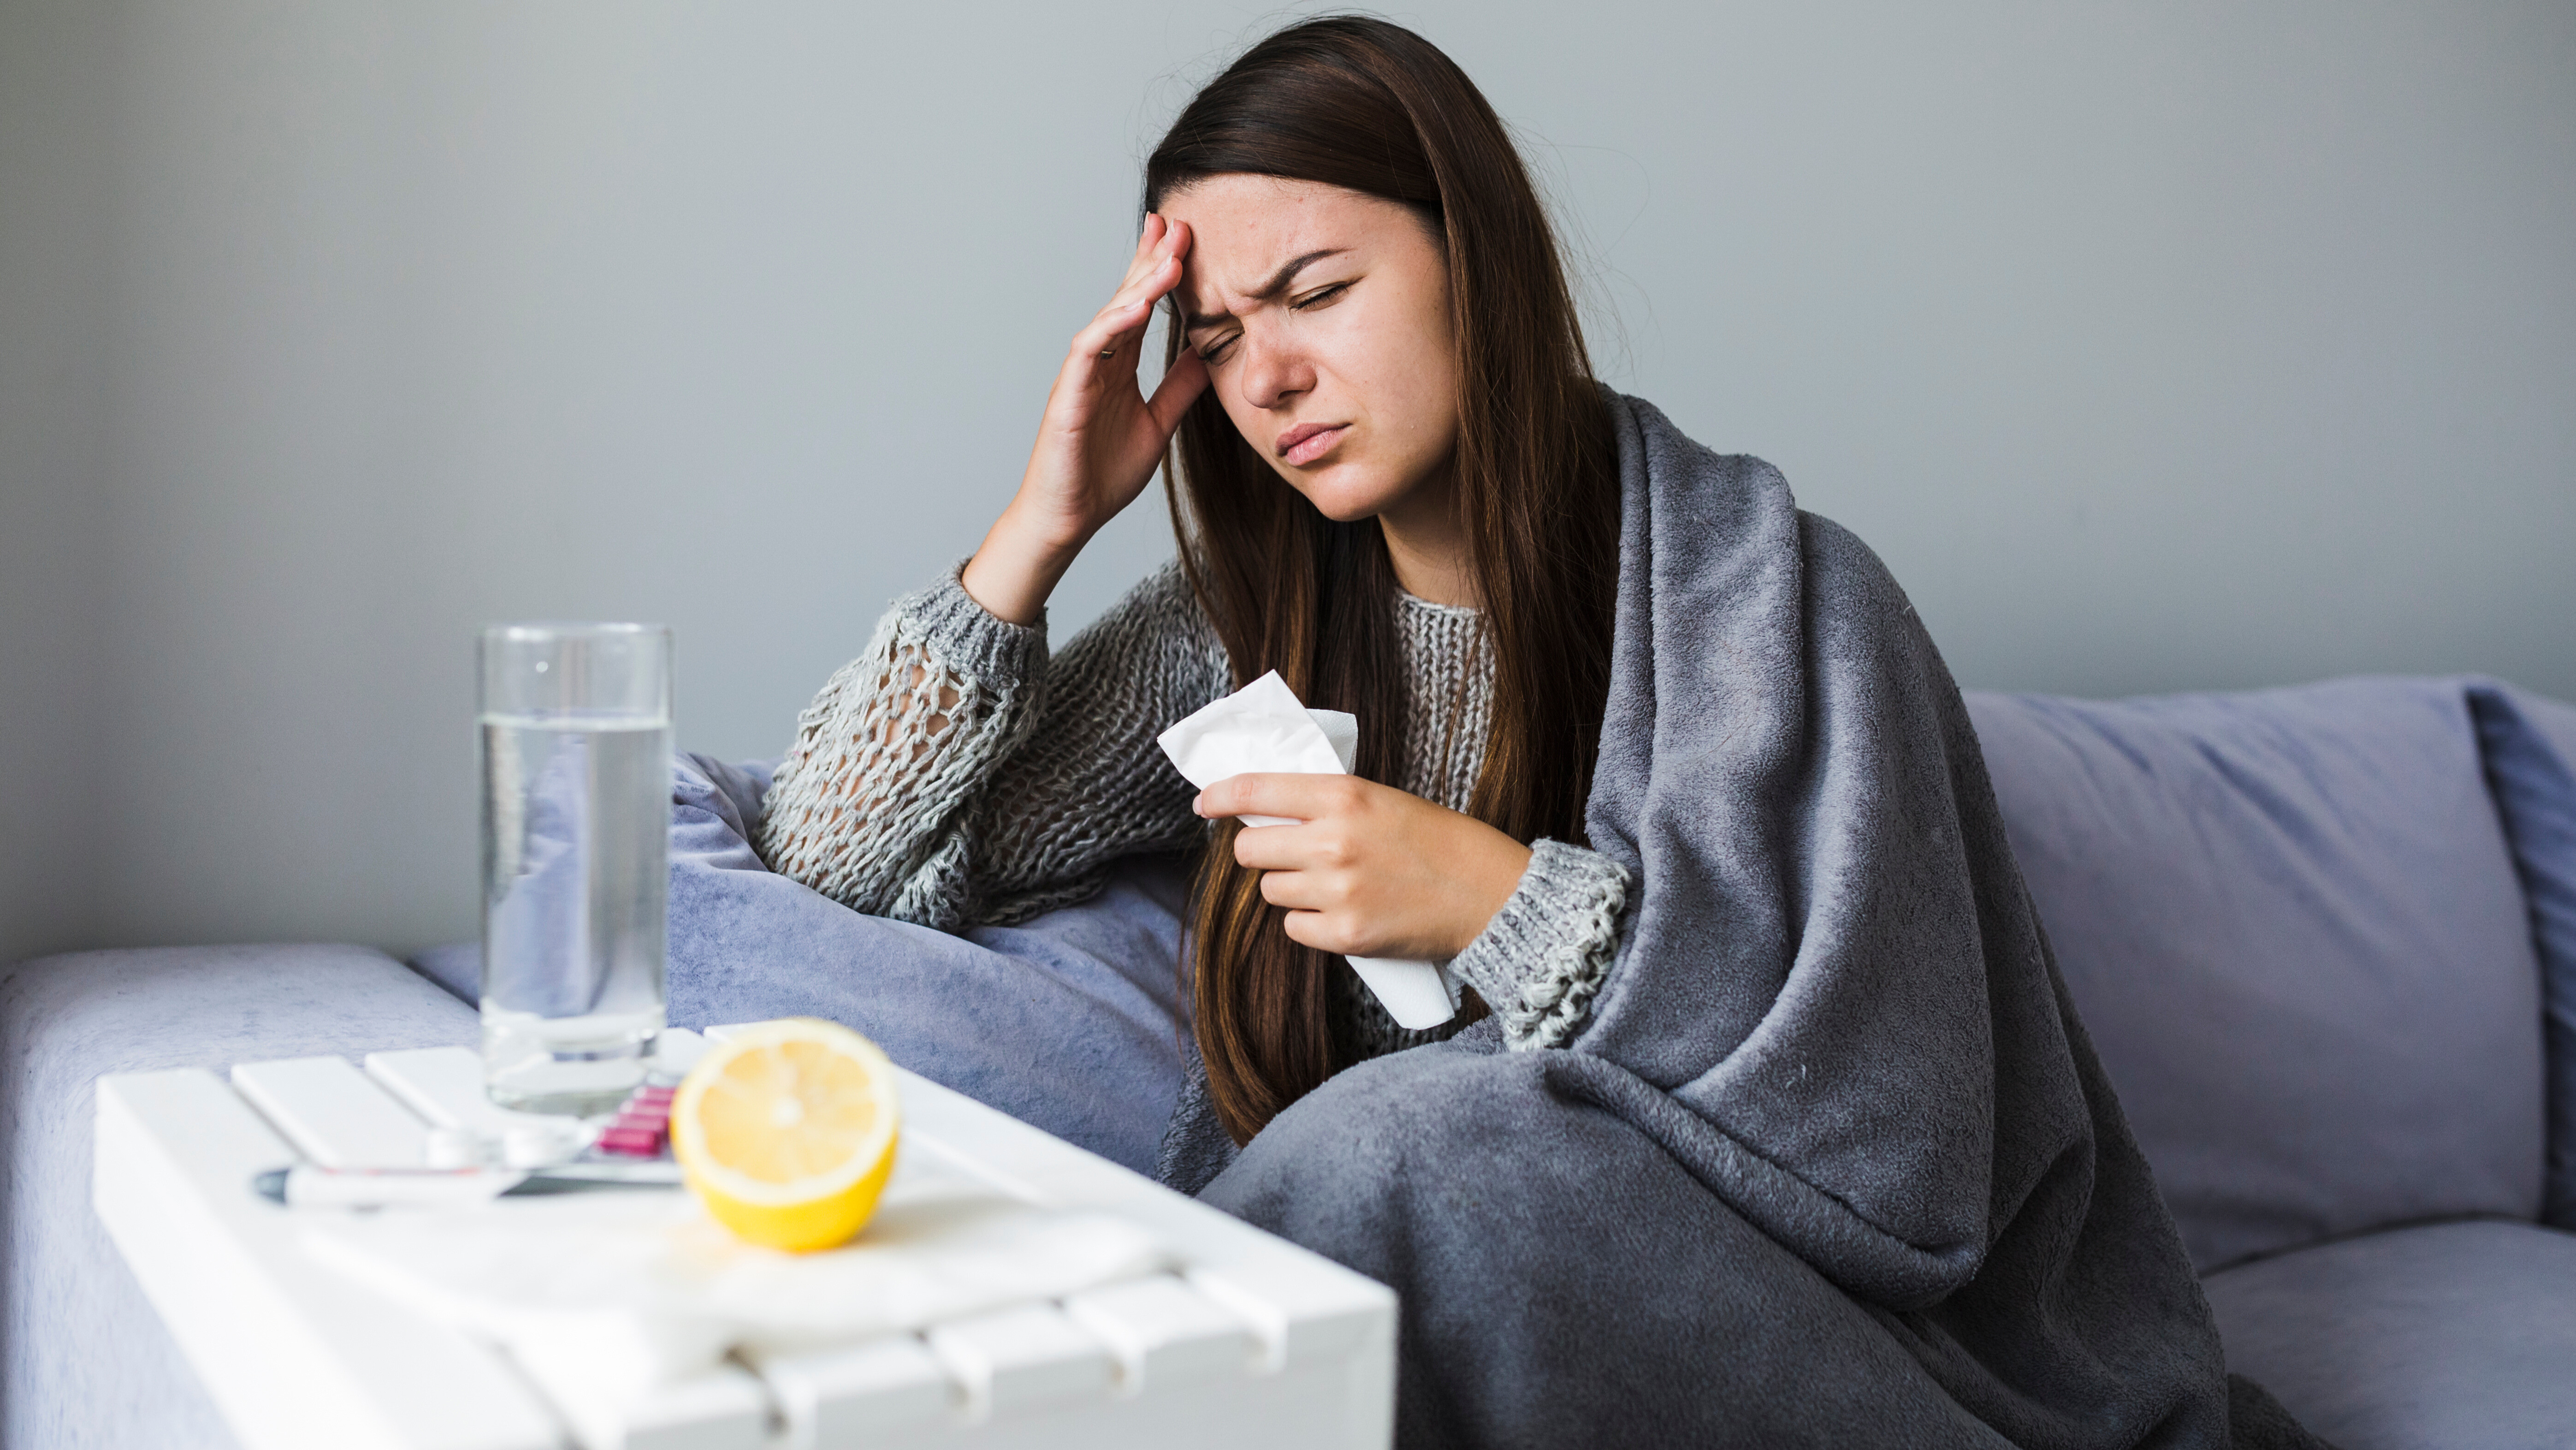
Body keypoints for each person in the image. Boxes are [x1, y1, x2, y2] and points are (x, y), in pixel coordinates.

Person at [754, 17, 2318, 1449]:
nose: (1270, 373)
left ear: (1477, 259)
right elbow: (821, 865)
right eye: (1219, 338)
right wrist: (1040, 529)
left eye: (1315, 291)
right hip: (1484, 1351)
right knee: (1419, 1162)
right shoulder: (1238, 632)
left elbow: (1896, 1149)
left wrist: (1500, 904)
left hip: (1892, 1364)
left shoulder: (1781, 602)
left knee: (1429, 1152)